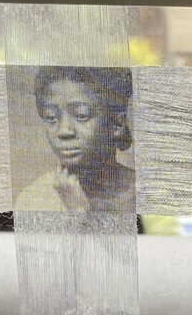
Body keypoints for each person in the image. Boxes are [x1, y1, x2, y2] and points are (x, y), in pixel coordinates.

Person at [14, 66, 137, 213]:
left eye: (81, 115)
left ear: (117, 124)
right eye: (51, 117)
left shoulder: (144, 192)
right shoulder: (33, 200)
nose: (63, 131)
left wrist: (80, 212)